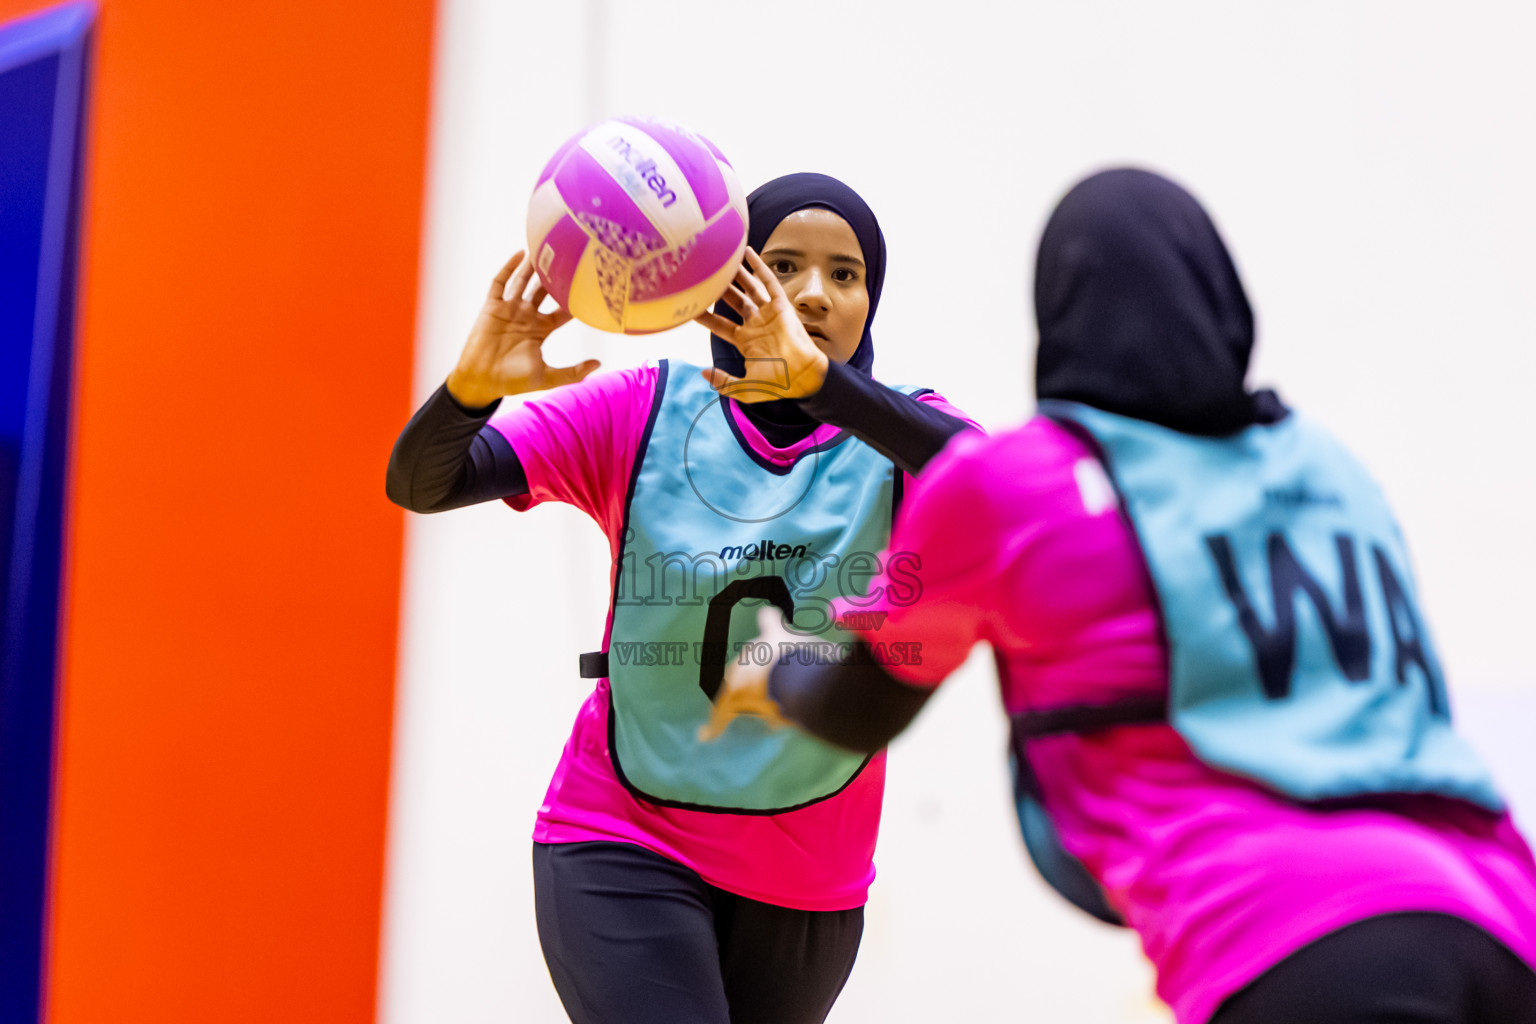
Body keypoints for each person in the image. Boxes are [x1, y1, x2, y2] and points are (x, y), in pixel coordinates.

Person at [707, 168, 1536, 1023]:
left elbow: (857, 707)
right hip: (1508, 919)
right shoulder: (1329, 468)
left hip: (1293, 935)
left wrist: (773, 662)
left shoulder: (1018, 486)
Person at [385, 172, 978, 1024]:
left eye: (845, 275)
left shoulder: (904, 435)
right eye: (784, 266)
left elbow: (1014, 486)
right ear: (729, 283)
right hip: (622, 840)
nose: (814, 294)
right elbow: (423, 482)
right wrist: (471, 388)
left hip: (807, 881)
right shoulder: (643, 409)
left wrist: (820, 387)